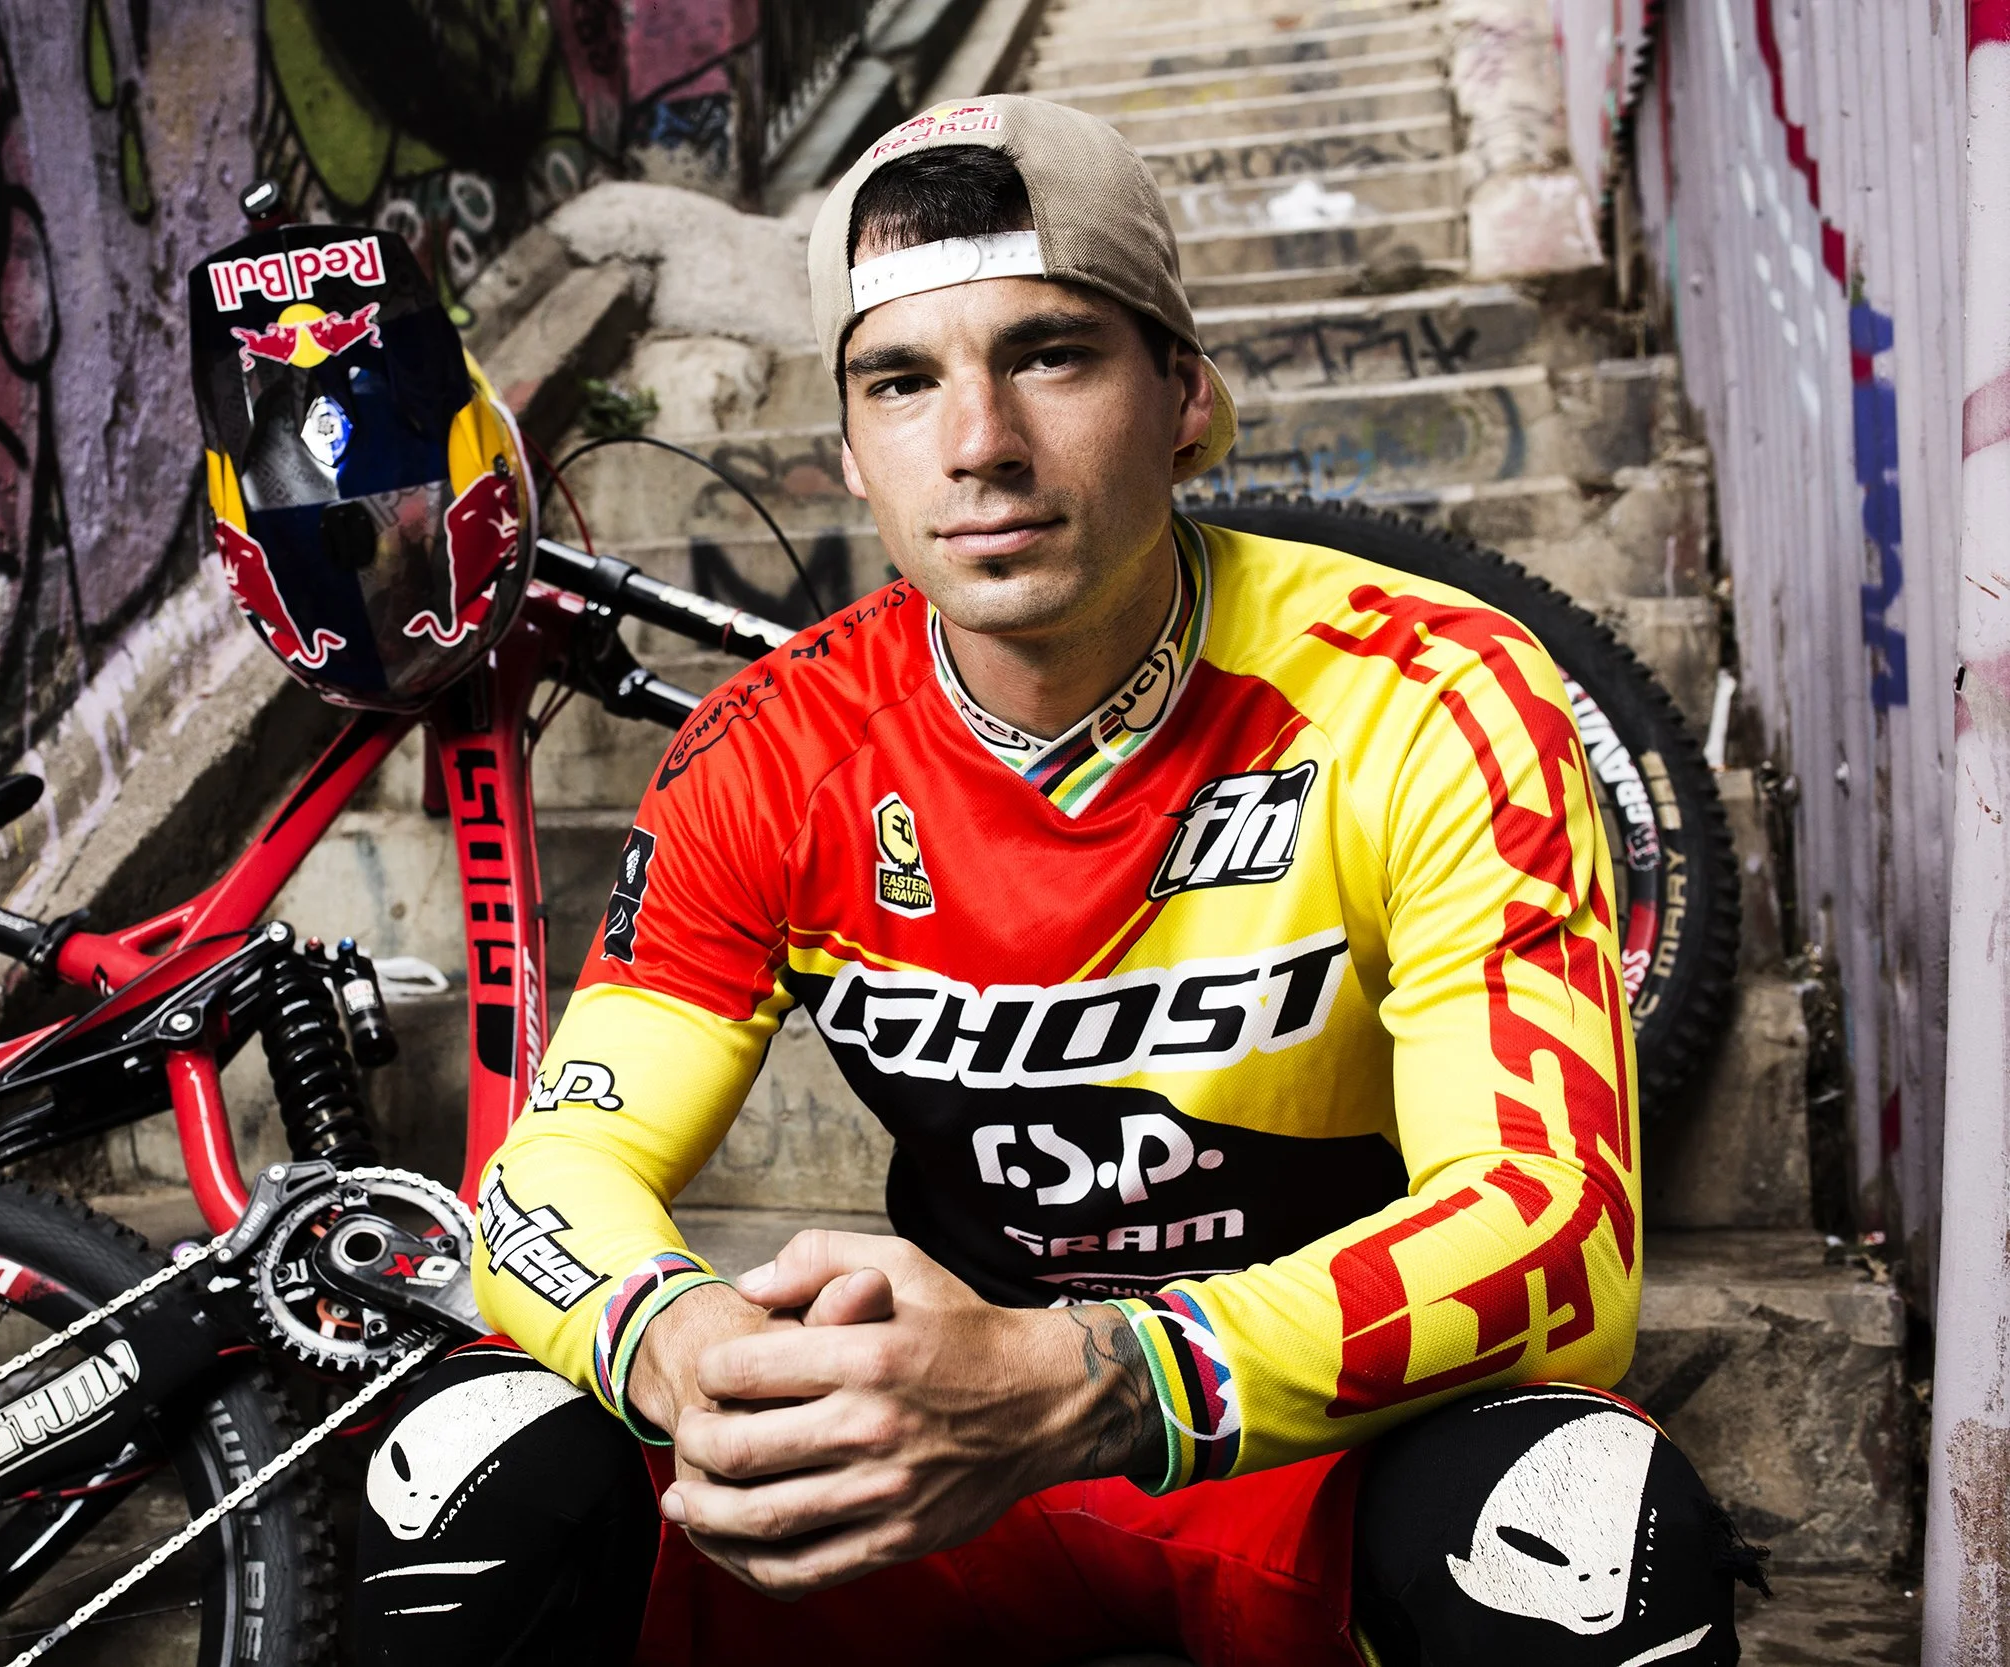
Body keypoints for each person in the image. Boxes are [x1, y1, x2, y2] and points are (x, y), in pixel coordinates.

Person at [358, 95, 1757, 1666]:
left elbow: (1556, 1237)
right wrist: (678, 1343)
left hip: (1309, 1444)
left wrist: (1101, 1376)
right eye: (904, 380)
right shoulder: (767, 752)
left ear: (1189, 398)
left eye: (1052, 354)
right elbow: (550, 1176)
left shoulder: (1431, 693)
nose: (979, 444)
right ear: (851, 451)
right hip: (924, 1452)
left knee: (1583, 1526)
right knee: (468, 1467)